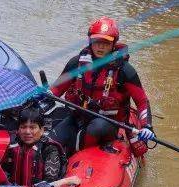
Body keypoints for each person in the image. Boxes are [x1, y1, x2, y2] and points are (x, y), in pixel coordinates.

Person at [49, 17, 155, 155]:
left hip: (108, 123)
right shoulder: (77, 63)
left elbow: (142, 101)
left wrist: (147, 126)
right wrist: (46, 94)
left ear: (113, 44)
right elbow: (57, 89)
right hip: (79, 116)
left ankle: (77, 153)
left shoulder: (124, 70)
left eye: (106, 43)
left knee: (96, 128)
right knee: (52, 140)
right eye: (97, 41)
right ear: (90, 41)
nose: (100, 46)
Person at [1, 107, 67, 187]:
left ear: (42, 130)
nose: (27, 132)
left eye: (32, 127)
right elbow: (4, 172)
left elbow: (50, 182)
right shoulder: (13, 145)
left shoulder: (49, 149)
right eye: (23, 127)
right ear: (18, 129)